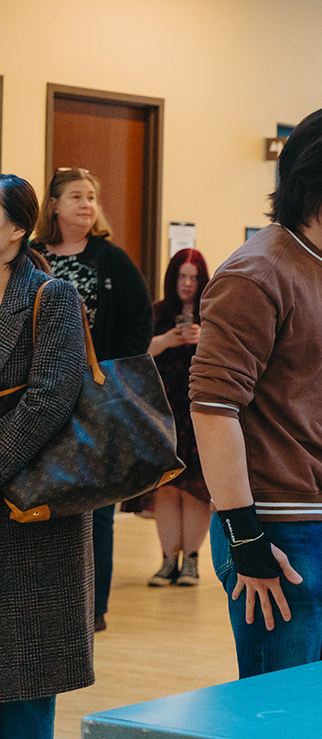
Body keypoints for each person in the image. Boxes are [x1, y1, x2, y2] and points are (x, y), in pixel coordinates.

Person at [190, 103, 322, 678]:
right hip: (277, 525)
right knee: (279, 715)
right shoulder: (255, 273)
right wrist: (244, 535)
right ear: (318, 174)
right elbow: (213, 409)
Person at [31, 166, 153, 632]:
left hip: (96, 397)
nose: (86, 204)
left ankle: (92, 608)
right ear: (54, 206)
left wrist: (110, 375)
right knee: (45, 497)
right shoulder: (31, 257)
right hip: (40, 396)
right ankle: (47, 600)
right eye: (76, 196)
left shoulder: (112, 261)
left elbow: (139, 325)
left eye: (91, 197)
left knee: (97, 508)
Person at [0, 175, 92, 738]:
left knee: (25, 682)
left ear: (15, 228)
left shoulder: (49, 294)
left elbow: (49, 399)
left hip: (33, 508)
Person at [146, 249, 211, 587]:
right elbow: (137, 354)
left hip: (199, 412)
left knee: (196, 490)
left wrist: (205, 339)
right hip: (163, 412)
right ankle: (168, 560)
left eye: (193, 277)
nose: (187, 284)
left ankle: (192, 561)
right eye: (181, 277)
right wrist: (166, 340)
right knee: (167, 488)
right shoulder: (156, 314)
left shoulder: (212, 314)